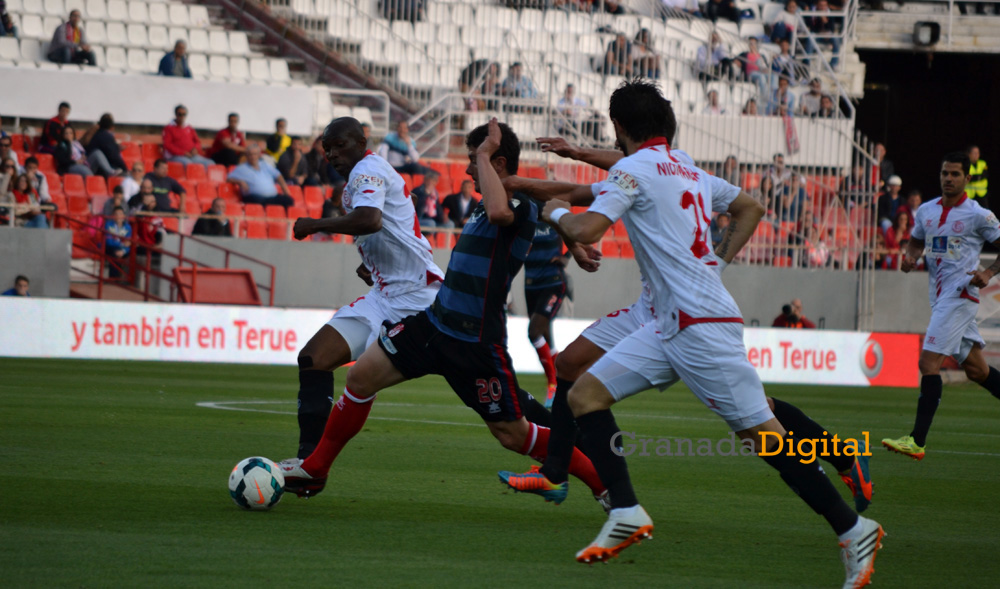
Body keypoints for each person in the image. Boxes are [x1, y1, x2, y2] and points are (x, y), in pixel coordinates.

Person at [497, 110, 877, 581]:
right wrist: (713, 263)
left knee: (765, 438)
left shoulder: (635, 170)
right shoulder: (685, 168)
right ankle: (626, 511)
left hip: (700, 325)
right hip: (670, 319)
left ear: (621, 128)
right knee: (583, 394)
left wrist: (552, 210)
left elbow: (584, 228)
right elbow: (750, 206)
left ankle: (851, 526)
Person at [279, 119, 609, 510]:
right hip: (435, 321)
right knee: (360, 375)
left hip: (474, 337)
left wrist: (571, 239)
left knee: (511, 432)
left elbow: (546, 204)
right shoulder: (495, 199)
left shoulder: (513, 202)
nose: (468, 170)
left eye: (476, 160)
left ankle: (602, 481)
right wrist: (572, 241)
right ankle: (314, 466)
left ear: (497, 161)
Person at [883, 152, 1000, 460]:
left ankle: (916, 441)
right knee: (977, 371)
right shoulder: (926, 211)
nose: (948, 178)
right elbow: (917, 241)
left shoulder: (978, 214)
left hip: (960, 296)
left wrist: (988, 272)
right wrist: (911, 257)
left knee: (927, 364)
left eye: (955, 174)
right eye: (944, 173)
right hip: (940, 298)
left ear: (967, 179)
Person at [523, 204, 568, 407]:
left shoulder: (554, 221)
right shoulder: (525, 223)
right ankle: (563, 382)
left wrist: (566, 257)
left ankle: (553, 383)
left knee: (534, 331)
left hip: (553, 283)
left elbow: (574, 236)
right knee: (545, 335)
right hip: (531, 284)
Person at [228, 144, 293, 207]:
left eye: (255, 154)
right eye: (250, 154)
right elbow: (229, 179)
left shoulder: (265, 165)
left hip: (271, 197)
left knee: (289, 200)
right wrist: (240, 181)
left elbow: (278, 175)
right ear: (246, 156)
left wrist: (285, 190)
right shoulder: (241, 168)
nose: (252, 157)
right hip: (254, 197)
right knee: (257, 201)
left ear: (259, 155)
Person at [103, 206, 132, 278]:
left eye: (120, 214)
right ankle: (114, 279)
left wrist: (123, 251)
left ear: (124, 216)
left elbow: (128, 243)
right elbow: (109, 242)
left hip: (122, 249)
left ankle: (128, 279)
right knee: (114, 254)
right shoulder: (108, 225)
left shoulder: (128, 227)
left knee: (133, 253)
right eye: (116, 214)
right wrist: (122, 245)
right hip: (110, 248)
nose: (118, 216)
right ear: (113, 216)